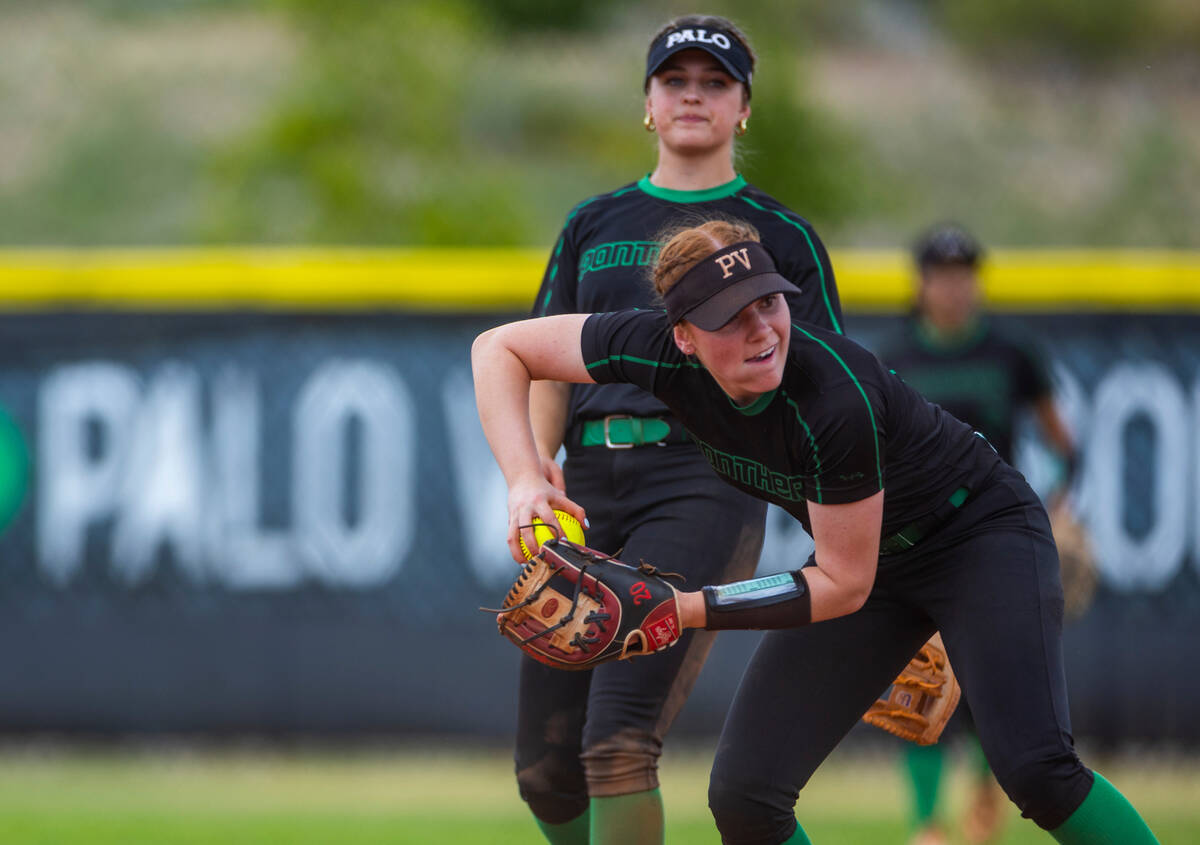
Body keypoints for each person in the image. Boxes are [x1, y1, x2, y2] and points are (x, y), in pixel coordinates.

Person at [471, 219, 1159, 845]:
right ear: (682, 334)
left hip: (979, 536)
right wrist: (527, 476)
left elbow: (844, 582)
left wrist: (684, 608)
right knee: (745, 797)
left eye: (768, 302)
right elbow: (498, 348)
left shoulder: (831, 395)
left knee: (1036, 770)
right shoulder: (651, 349)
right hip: (877, 562)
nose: (762, 330)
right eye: (729, 317)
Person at [516, 14, 842, 845]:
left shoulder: (782, 235)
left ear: (744, 110)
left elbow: (830, 394)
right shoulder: (592, 225)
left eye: (715, 83)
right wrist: (533, 473)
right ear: (648, 105)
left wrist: (853, 538)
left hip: (707, 477)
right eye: (675, 81)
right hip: (586, 485)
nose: (693, 95)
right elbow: (546, 364)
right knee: (546, 771)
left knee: (618, 741)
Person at [879, 222, 1079, 845]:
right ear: (920, 283)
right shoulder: (895, 356)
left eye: (963, 274)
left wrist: (1057, 509)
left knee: (993, 689)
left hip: (992, 538)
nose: (952, 286)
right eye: (940, 275)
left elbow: (1065, 448)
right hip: (914, 535)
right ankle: (927, 827)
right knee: (918, 682)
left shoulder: (1010, 352)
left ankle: (983, 810)